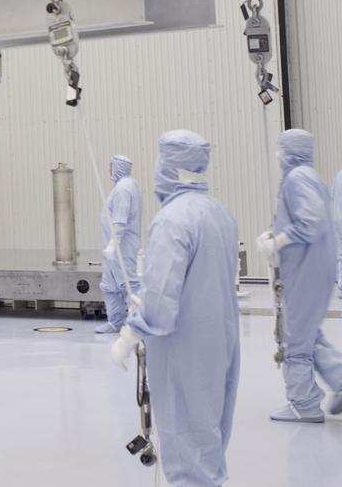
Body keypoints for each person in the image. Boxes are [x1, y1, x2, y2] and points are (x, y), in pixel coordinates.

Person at [111, 131, 239, 487]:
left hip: (185, 349)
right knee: (208, 438)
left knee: (185, 445)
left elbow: (161, 302)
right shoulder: (220, 213)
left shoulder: (173, 220)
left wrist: (129, 332)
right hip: (219, 343)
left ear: (169, 166)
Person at [258, 129, 342, 422]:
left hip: (306, 270)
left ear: (289, 150)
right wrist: (276, 234)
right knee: (308, 333)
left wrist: (279, 241)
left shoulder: (297, 178)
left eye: (280, 148)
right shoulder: (309, 176)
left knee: (295, 336)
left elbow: (312, 221)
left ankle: (303, 405)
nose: (277, 154)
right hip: (314, 268)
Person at [97, 155, 142, 334]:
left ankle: (139, 322)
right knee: (111, 285)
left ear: (119, 167)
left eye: (111, 166)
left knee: (128, 284)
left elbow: (120, 221)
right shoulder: (123, 186)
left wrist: (112, 246)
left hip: (121, 246)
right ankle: (115, 322)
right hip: (114, 248)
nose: (109, 169)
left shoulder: (124, 189)